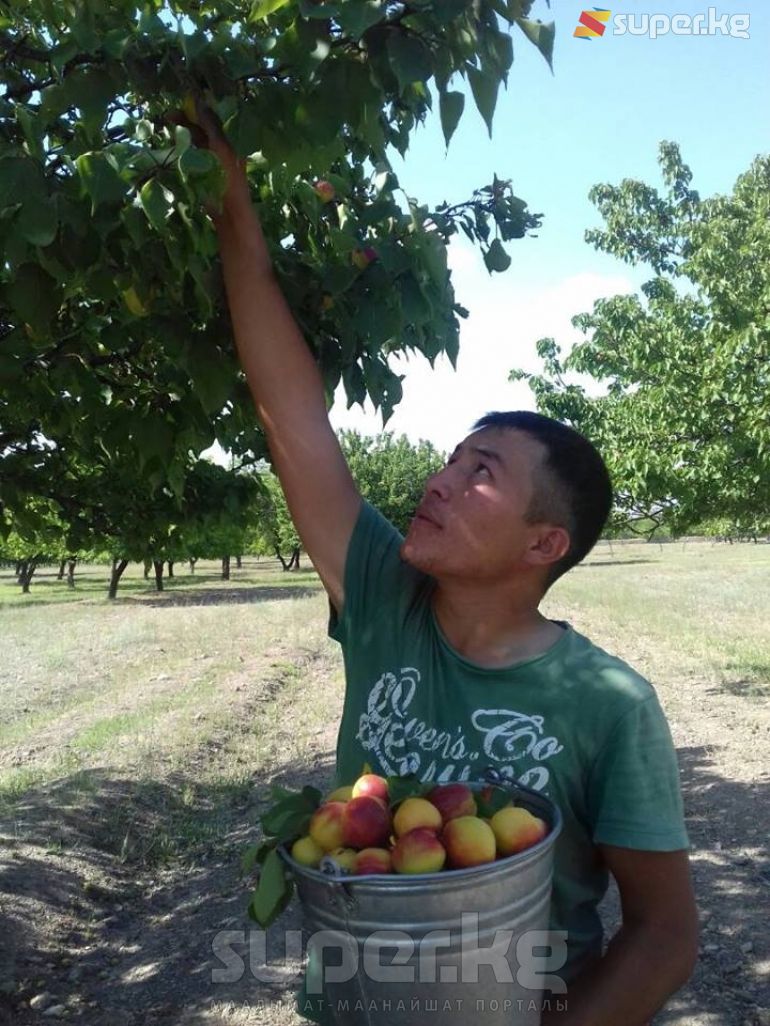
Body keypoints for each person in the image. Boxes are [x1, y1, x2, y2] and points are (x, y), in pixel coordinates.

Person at [198, 110, 698, 1025]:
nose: (439, 480)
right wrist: (233, 209)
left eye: (481, 474)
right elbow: (292, 414)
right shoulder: (384, 598)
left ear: (544, 545)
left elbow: (666, 932)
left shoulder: (610, 706)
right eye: (452, 459)